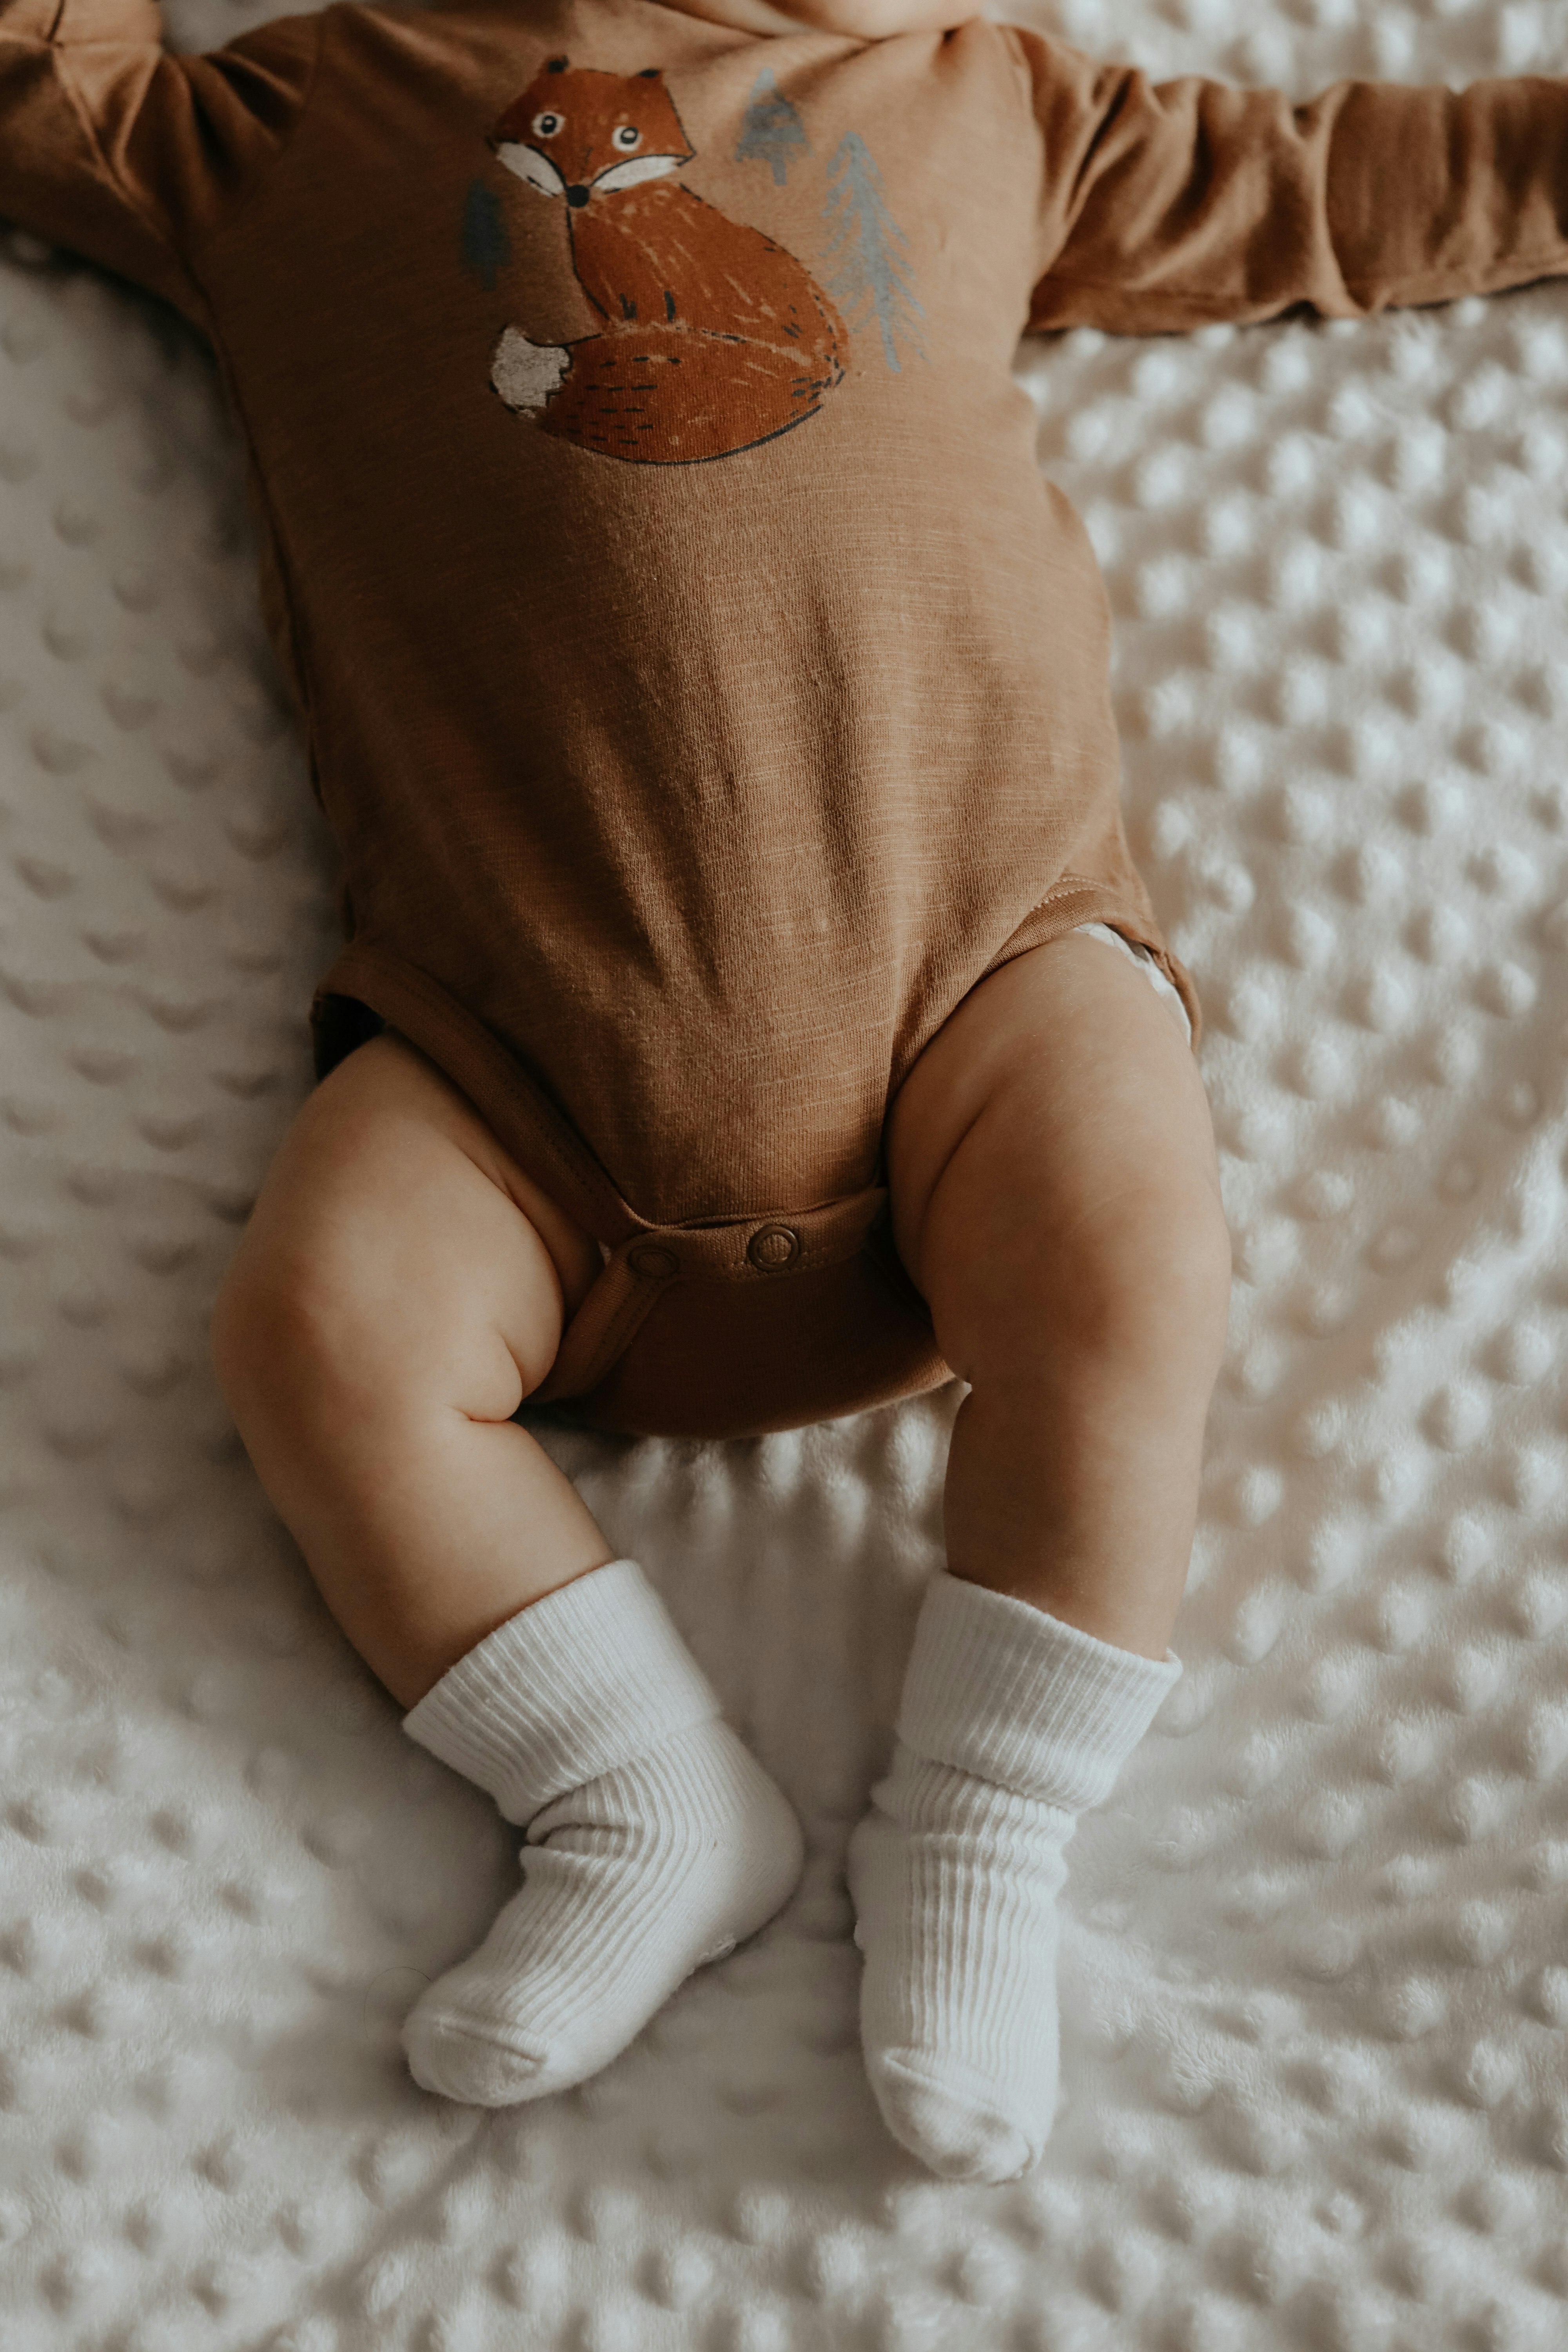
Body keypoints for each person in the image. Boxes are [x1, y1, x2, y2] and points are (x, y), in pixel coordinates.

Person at [3, 0, 1564, 2183]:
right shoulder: (283, 123)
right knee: (320, 1330)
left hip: (976, 985)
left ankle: (985, 1823)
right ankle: (634, 1794)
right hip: (513, 1073)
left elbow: (1332, 190)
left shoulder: (979, 94)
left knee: (1135, 1261)